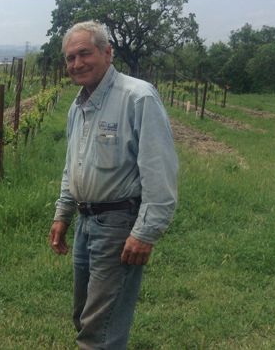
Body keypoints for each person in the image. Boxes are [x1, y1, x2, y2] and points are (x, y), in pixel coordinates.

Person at [49, 20, 178, 349]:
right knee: (83, 316)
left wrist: (145, 232)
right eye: (69, 58)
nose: (76, 64)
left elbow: (159, 170)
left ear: (108, 52)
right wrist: (63, 214)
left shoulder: (138, 97)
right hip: (85, 223)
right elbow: (72, 165)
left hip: (118, 225)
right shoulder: (78, 108)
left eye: (84, 54)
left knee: (100, 329)